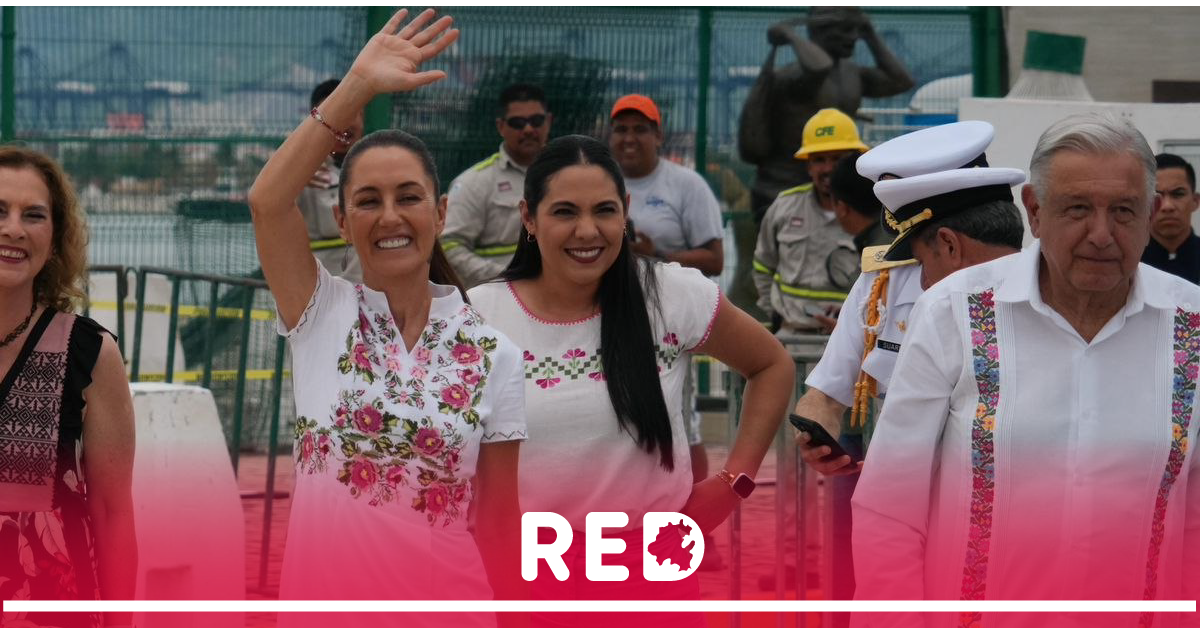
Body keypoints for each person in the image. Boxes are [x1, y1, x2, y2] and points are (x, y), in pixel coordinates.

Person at [851, 113, 1199, 627]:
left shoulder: (1192, 324)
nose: (1101, 235)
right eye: (1077, 208)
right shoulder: (954, 311)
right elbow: (890, 505)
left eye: (1123, 212)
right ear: (1034, 210)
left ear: (1150, 213)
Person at [246, 10, 525, 628]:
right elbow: (268, 202)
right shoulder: (320, 312)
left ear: (442, 211)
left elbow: (502, 524)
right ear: (343, 222)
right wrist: (358, 89)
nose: (390, 216)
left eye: (409, 197)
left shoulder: (493, 353)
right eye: (367, 201)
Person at [469, 134, 794, 628]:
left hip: (654, 578)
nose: (586, 231)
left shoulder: (670, 293)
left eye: (603, 210)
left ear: (625, 211)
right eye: (563, 212)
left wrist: (733, 483)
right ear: (529, 218)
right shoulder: (478, 317)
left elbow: (772, 365)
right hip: (526, 578)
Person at [792, 122, 1026, 621]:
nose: (917, 275)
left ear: (948, 243)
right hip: (904, 526)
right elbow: (826, 394)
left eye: (919, 256)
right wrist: (819, 429)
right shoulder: (889, 284)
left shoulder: (1053, 299)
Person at [0, 146, 137, 628]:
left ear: (54, 241)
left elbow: (112, 511)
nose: (13, 228)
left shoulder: (89, 351)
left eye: (33, 215)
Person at [608, 94, 726, 557]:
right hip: (606, 316)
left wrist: (657, 256)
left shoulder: (686, 184)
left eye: (641, 129)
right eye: (622, 129)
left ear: (659, 136)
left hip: (666, 319)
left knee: (682, 421)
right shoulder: (599, 179)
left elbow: (714, 256)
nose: (630, 138)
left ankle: (697, 533)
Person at [738, 6, 913, 222]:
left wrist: (869, 34)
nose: (853, 37)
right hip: (784, 187)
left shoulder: (851, 73)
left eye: (856, 30)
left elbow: (901, 81)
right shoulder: (794, 77)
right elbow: (818, 67)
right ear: (819, 31)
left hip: (836, 187)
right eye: (846, 30)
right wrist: (791, 35)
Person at [754, 107, 867, 333]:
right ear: (808, 166)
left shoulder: (869, 214)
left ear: (854, 161)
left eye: (837, 159)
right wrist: (776, 313)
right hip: (790, 339)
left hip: (846, 342)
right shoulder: (785, 207)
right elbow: (762, 266)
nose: (828, 168)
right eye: (819, 160)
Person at [443, 83, 553, 288]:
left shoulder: (566, 175)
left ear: (549, 121)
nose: (528, 129)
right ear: (501, 126)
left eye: (536, 120)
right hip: (496, 302)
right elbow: (448, 246)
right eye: (518, 122)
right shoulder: (473, 183)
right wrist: (507, 279)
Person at [297, 78, 365, 282]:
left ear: (362, 116)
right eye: (334, 115)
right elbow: (266, 208)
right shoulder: (298, 169)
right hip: (318, 292)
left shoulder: (381, 163)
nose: (343, 122)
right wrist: (294, 179)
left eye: (352, 113)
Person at [1142, 152, 1200, 283]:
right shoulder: (1127, 263)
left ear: (1195, 201)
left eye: (1178, 194)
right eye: (1156, 196)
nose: (1167, 206)